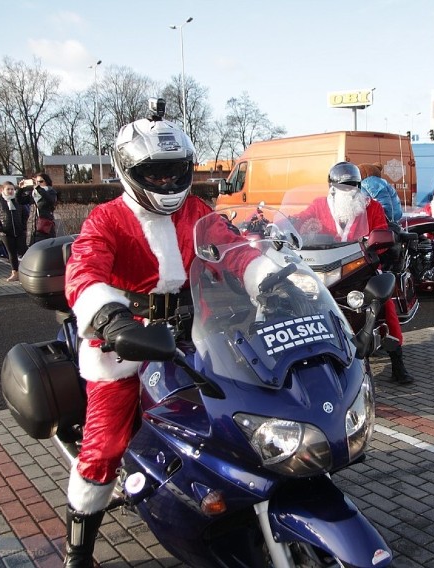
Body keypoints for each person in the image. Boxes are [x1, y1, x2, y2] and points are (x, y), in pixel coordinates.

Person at [61, 115, 277, 566]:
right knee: (105, 446)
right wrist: (108, 316)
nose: (166, 180)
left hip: (197, 330)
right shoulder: (107, 219)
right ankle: (78, 550)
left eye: (175, 171)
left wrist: (267, 278)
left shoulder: (195, 211)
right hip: (125, 342)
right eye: (154, 173)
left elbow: (232, 248)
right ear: (129, 170)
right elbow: (84, 270)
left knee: (238, 409)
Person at [295, 161, 414, 386]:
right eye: (343, 186)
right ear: (331, 187)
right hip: (323, 266)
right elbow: (299, 222)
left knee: (383, 301)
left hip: (361, 266)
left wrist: (376, 243)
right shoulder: (319, 205)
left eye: (353, 185)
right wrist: (277, 224)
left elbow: (381, 233)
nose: (348, 190)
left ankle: (397, 360)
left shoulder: (371, 206)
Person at [0, 181, 29, 282]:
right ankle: (15, 273)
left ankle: (27, 271)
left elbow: (25, 214)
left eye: (12, 189)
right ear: (3, 190)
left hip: (19, 231)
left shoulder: (18, 200)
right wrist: (0, 229)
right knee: (11, 253)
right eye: (8, 189)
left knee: (23, 251)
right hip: (6, 233)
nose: (10, 191)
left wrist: (23, 227)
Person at [28, 172, 57, 245]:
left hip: (45, 225)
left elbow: (51, 201)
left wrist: (39, 189)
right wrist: (20, 189)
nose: (38, 183)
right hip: (34, 225)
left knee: (46, 246)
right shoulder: (33, 194)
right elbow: (21, 201)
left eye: (41, 181)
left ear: (46, 182)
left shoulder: (50, 191)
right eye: (37, 182)